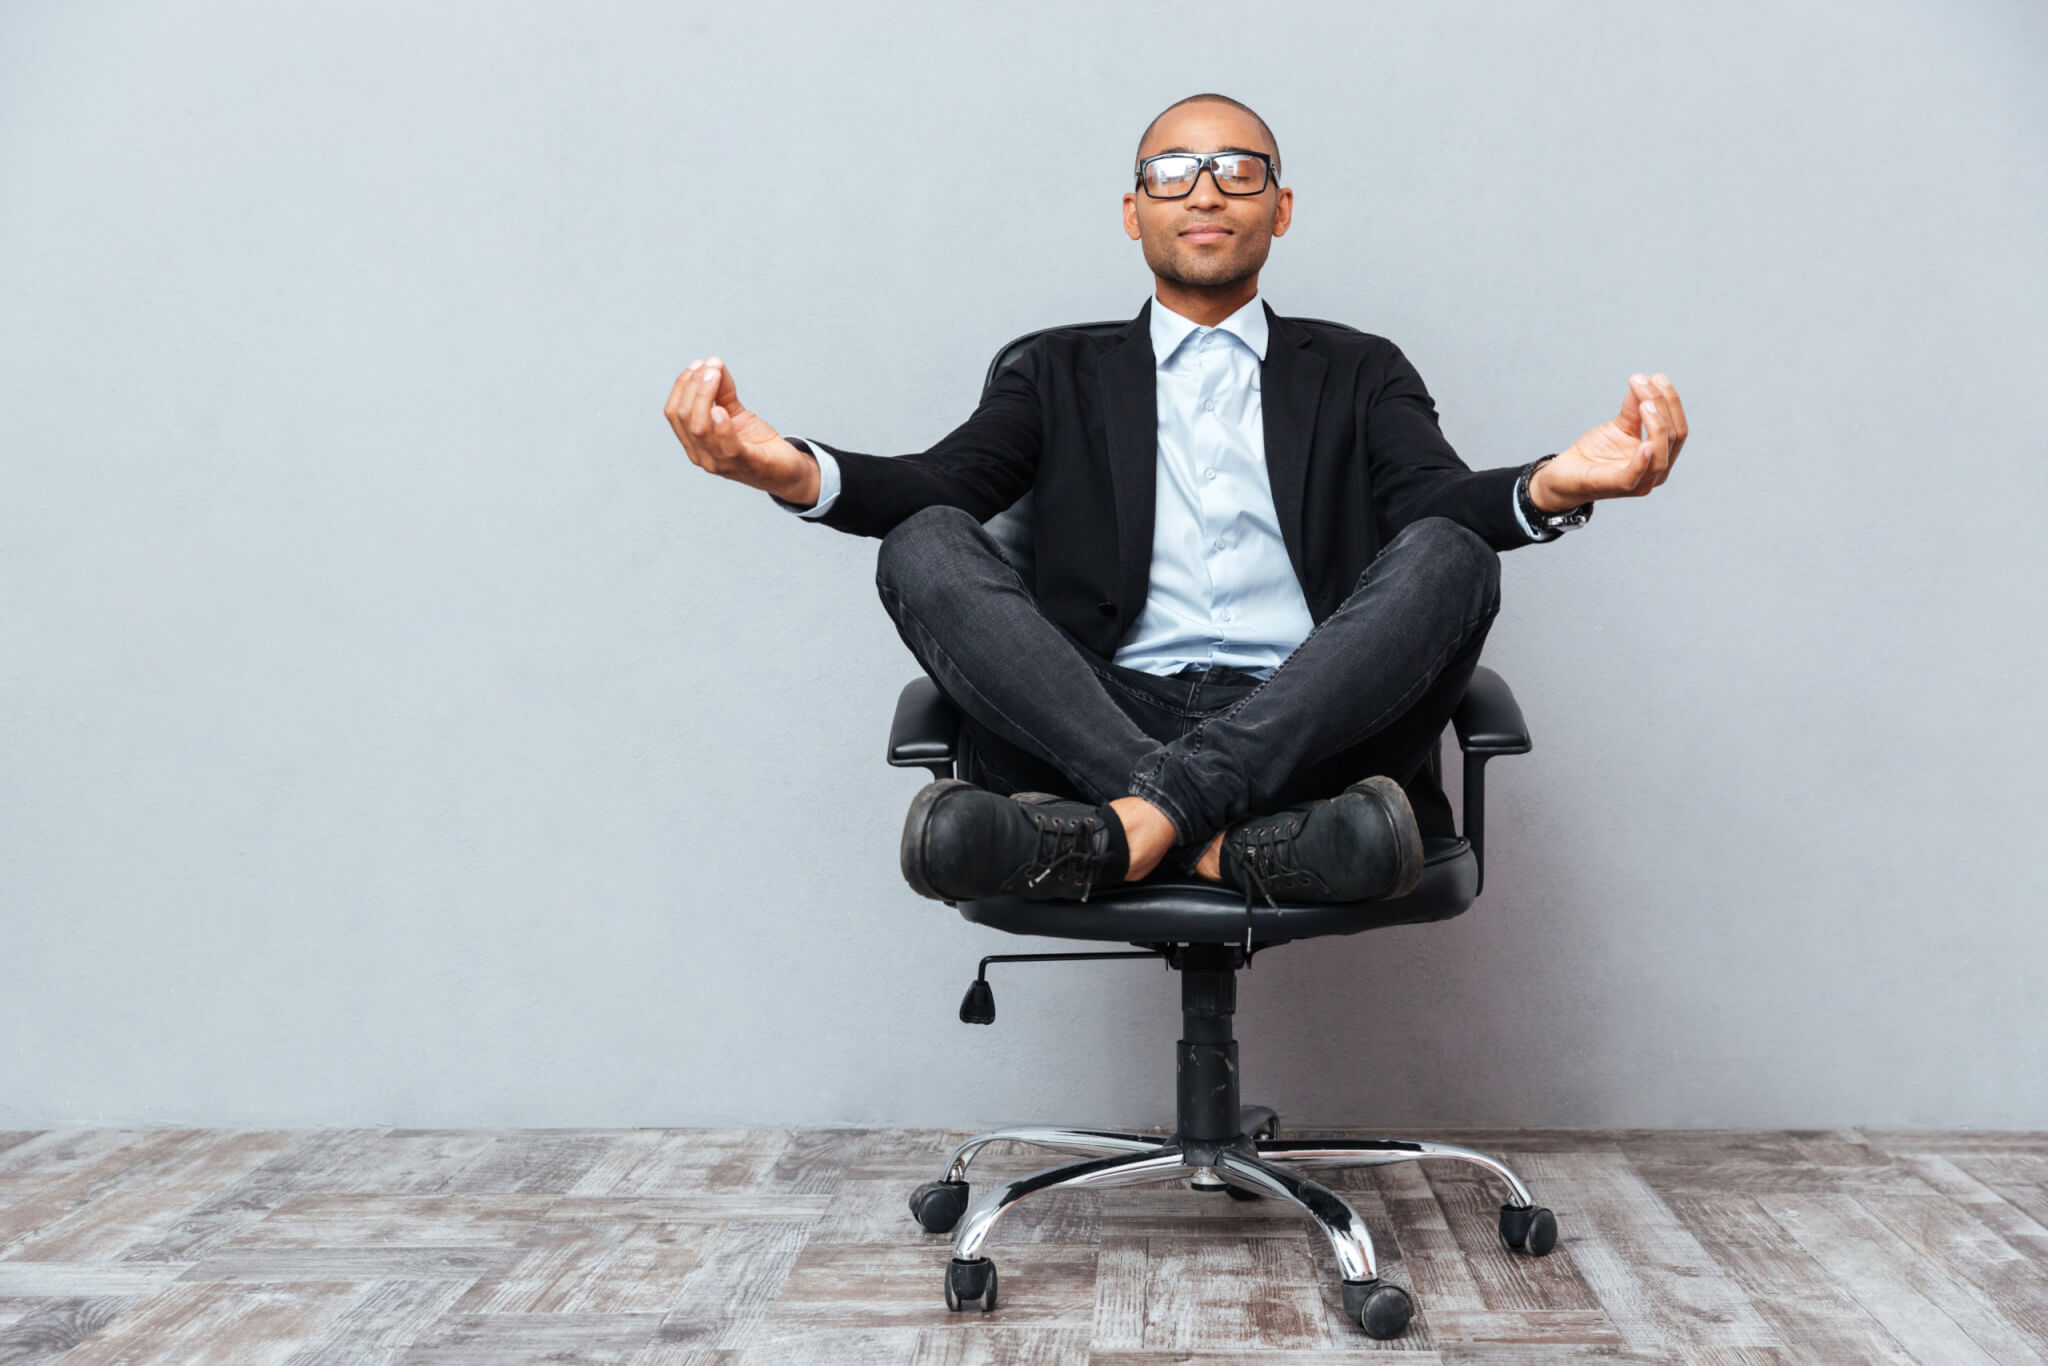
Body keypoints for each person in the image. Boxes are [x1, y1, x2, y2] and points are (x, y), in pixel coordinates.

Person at [663, 92, 1688, 915]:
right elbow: (939, 486)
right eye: (1172, 172)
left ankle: (1115, 836)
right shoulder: (1054, 373)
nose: (1205, 190)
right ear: (1132, 211)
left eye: (1237, 170)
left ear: (1277, 208)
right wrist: (788, 469)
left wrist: (1550, 486)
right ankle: (1227, 846)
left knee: (1451, 553)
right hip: (1102, 709)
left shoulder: (1359, 369)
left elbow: (1434, 499)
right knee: (925, 541)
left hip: (1308, 717)